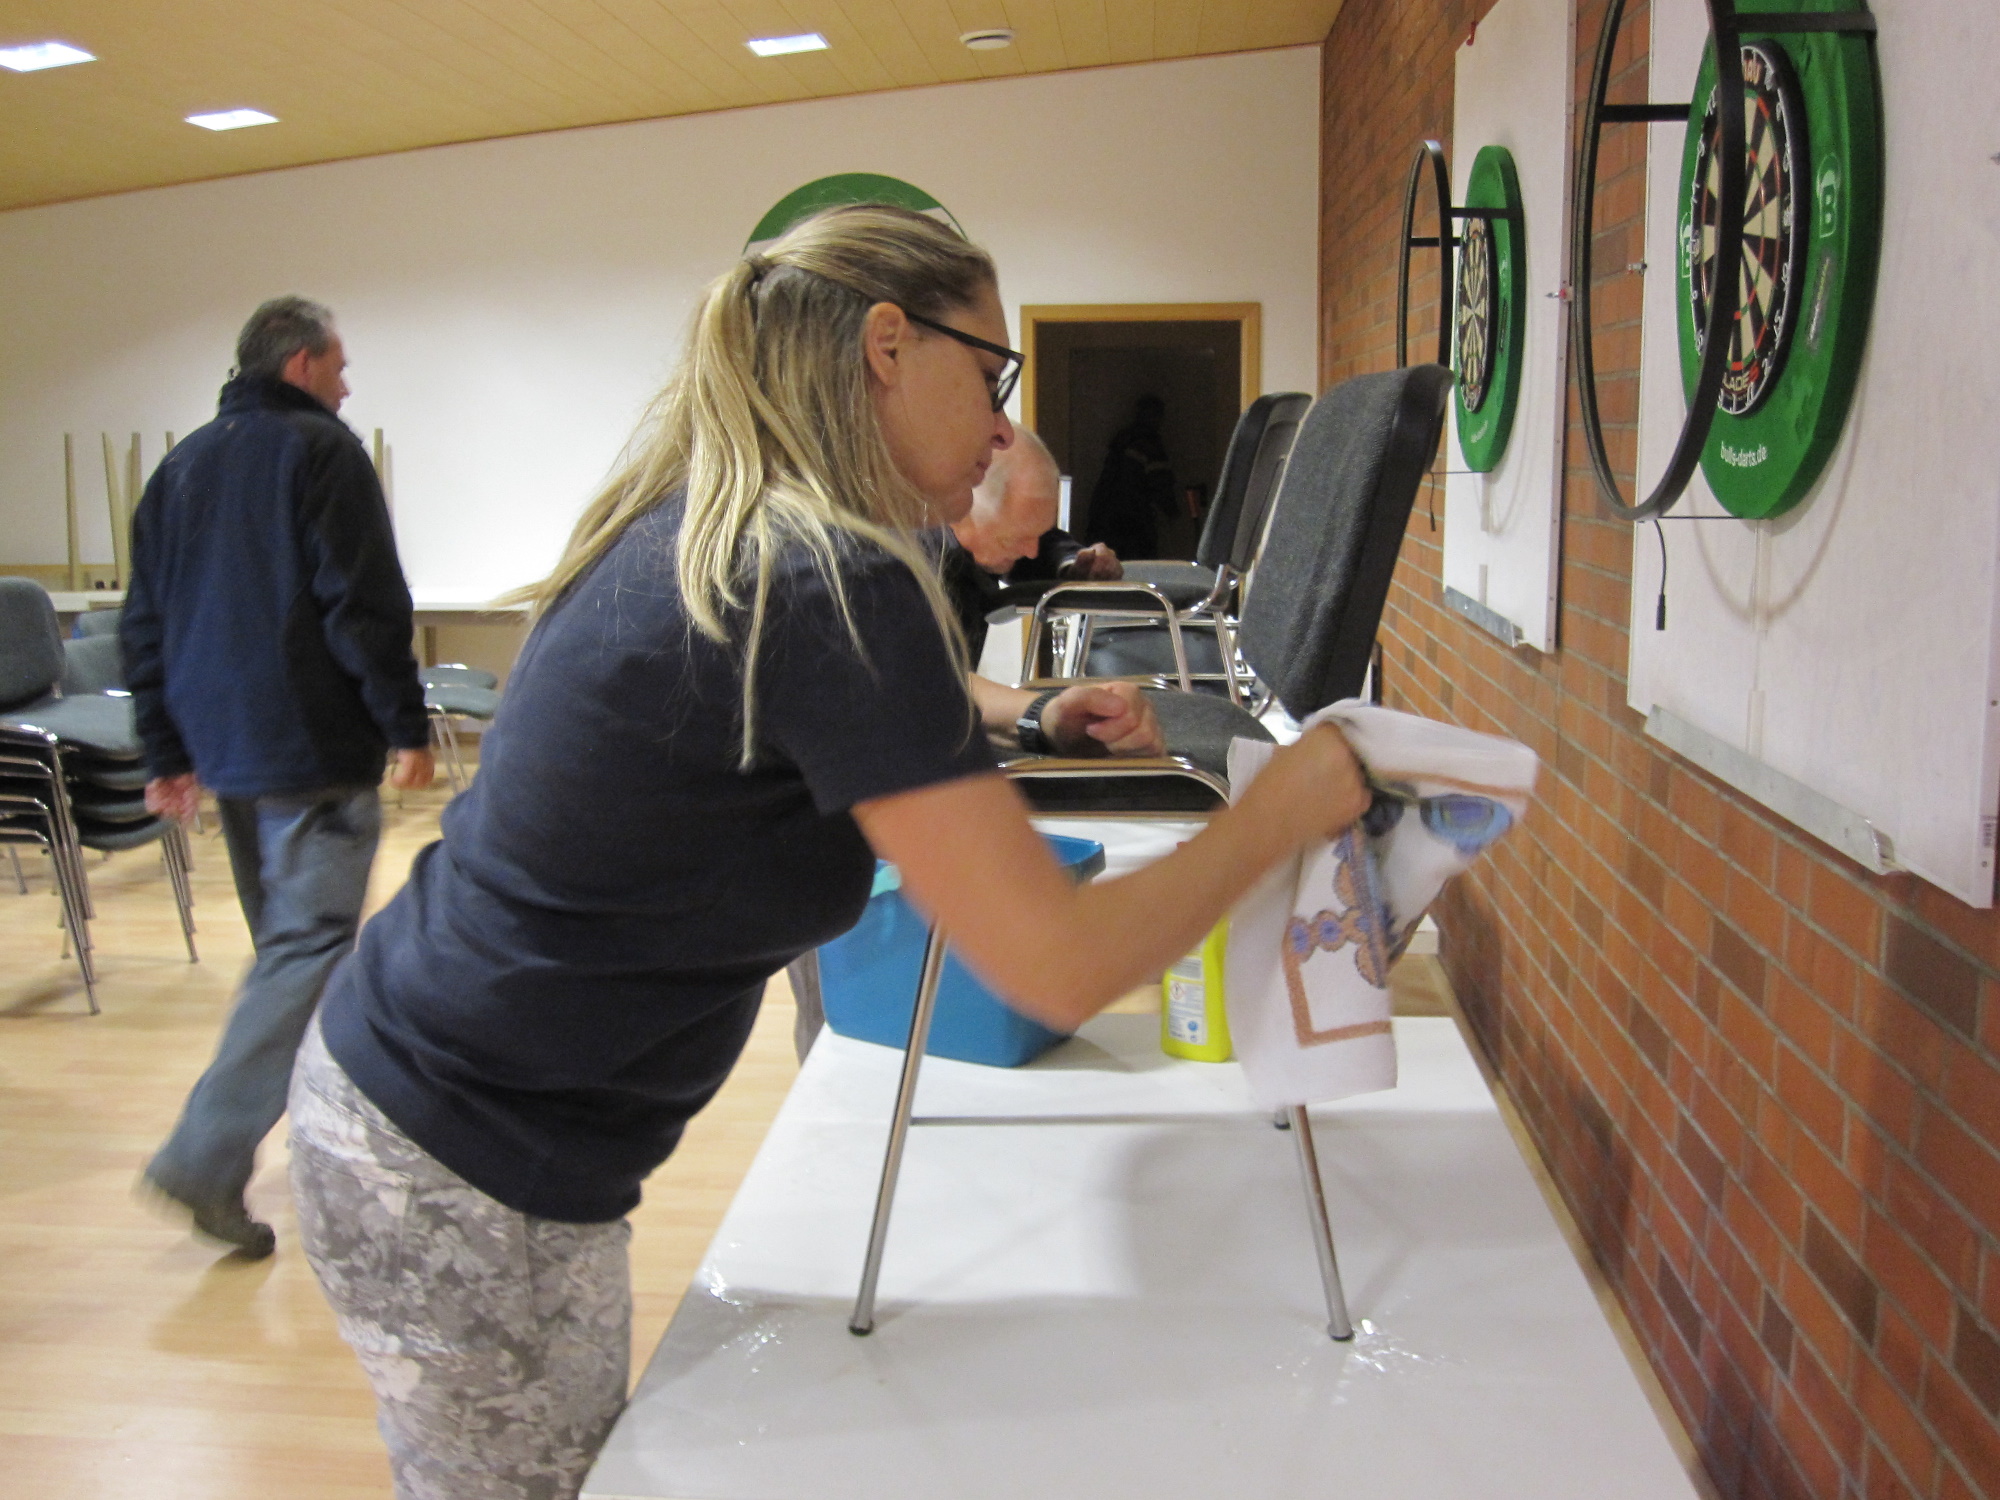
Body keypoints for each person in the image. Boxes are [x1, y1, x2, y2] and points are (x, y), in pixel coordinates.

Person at [285, 205, 1367, 1500]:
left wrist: (1023, 715)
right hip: (455, 1159)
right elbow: (1058, 964)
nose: (1000, 426)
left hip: (434, 1112)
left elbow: (845, 701)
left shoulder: (745, 533)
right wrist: (1281, 808)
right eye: (993, 374)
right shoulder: (827, 581)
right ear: (887, 345)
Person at [123, 296, 435, 1258]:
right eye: (338, 366)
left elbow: (145, 623)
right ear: (300, 363)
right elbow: (362, 604)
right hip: (310, 744)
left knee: (290, 957)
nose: (346, 386)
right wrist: (405, 723)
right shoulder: (323, 451)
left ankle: (333, 1132)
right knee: (305, 952)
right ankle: (205, 1156)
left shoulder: (179, 467)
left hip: (229, 750)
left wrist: (167, 751)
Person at [940, 428, 1122, 660]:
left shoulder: (984, 539)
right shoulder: (908, 573)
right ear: (961, 508)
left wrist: (1076, 564)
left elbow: (1045, 548)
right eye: (1016, 538)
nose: (1032, 551)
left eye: (1036, 534)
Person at [1084, 392, 1177, 559]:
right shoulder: (1149, 445)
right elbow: (1160, 482)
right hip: (1134, 521)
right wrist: (1172, 511)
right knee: (1139, 568)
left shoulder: (1121, 442)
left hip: (1104, 517)